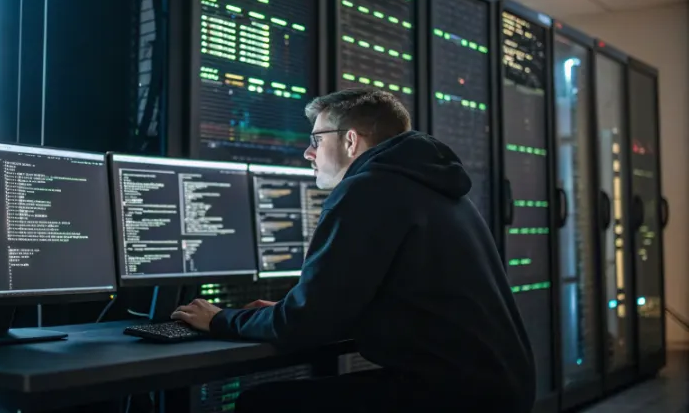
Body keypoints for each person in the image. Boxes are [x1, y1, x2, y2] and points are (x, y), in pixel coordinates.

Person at [171, 88, 536, 412]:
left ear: (349, 141)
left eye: (316, 139)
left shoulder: (366, 189)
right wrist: (294, 308)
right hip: (499, 390)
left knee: (261, 403)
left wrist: (220, 319)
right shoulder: (437, 188)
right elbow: (382, 302)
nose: (307, 152)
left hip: (450, 397)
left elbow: (304, 323)